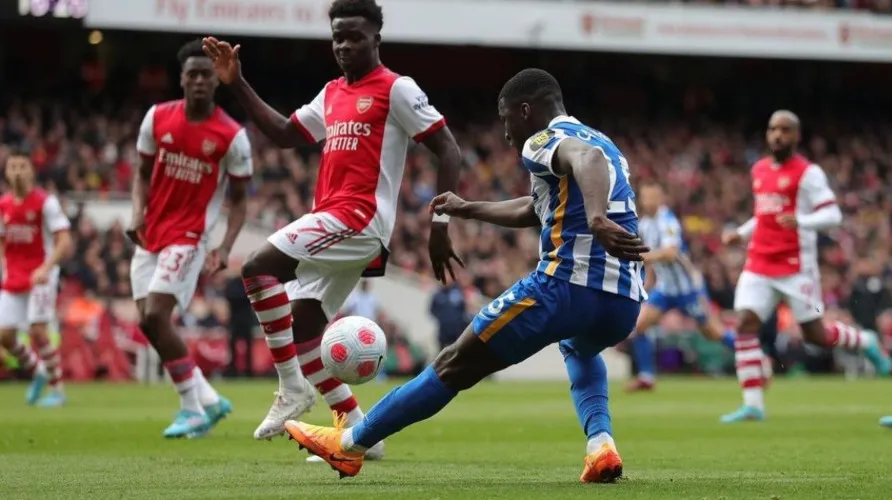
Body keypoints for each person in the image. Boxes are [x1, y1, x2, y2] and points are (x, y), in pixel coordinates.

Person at [283, 68, 648, 483]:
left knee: (454, 363)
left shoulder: (545, 139)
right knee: (579, 349)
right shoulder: (605, 141)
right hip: (623, 300)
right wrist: (468, 207)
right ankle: (600, 445)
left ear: (525, 110)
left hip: (565, 286)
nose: (506, 132)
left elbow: (587, 161)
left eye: (506, 117)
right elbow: (537, 207)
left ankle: (350, 446)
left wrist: (597, 219)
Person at [201, 0, 463, 459]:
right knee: (303, 329)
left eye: (354, 36)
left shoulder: (396, 89)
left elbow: (449, 149)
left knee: (258, 268)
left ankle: (290, 390)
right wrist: (237, 83)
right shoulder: (332, 92)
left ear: (375, 39)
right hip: (338, 221)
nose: (344, 45)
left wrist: (440, 223)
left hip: (357, 218)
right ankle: (363, 432)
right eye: (338, 37)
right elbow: (285, 133)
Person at [719, 110, 892, 423]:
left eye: (785, 130)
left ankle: (865, 341)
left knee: (816, 336)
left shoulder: (809, 173)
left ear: (797, 136)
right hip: (759, 262)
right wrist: (740, 234)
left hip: (796, 266)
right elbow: (764, 214)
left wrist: (802, 221)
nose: (777, 135)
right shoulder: (759, 169)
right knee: (744, 324)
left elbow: (833, 216)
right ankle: (753, 404)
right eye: (772, 129)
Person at [127, 40, 252, 438]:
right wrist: (135, 214)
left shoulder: (232, 137)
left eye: (206, 74)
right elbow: (142, 174)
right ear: (181, 79)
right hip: (150, 234)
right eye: (192, 74)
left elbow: (238, 201)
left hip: (189, 237)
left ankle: (190, 409)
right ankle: (210, 400)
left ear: (216, 80)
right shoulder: (157, 118)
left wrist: (225, 247)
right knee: (149, 325)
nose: (199, 80)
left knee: (154, 316)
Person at [624, 181, 736, 392]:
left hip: (688, 290)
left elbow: (670, 252)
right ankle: (647, 377)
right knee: (638, 327)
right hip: (665, 290)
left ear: (660, 198)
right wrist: (647, 283)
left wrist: (641, 257)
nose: (648, 201)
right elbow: (653, 260)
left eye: (653, 197)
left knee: (713, 333)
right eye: (645, 197)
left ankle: (753, 357)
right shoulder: (646, 224)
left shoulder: (668, 221)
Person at [0, 152, 72, 407]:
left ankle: (58, 391)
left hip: (41, 275)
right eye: (13, 167)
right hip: (15, 276)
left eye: (22, 166)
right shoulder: (3, 205)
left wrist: (46, 268)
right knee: (5, 336)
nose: (17, 171)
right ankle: (38, 370)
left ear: (31, 171)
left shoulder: (46, 203)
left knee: (38, 330)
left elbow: (64, 240)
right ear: (6, 172)